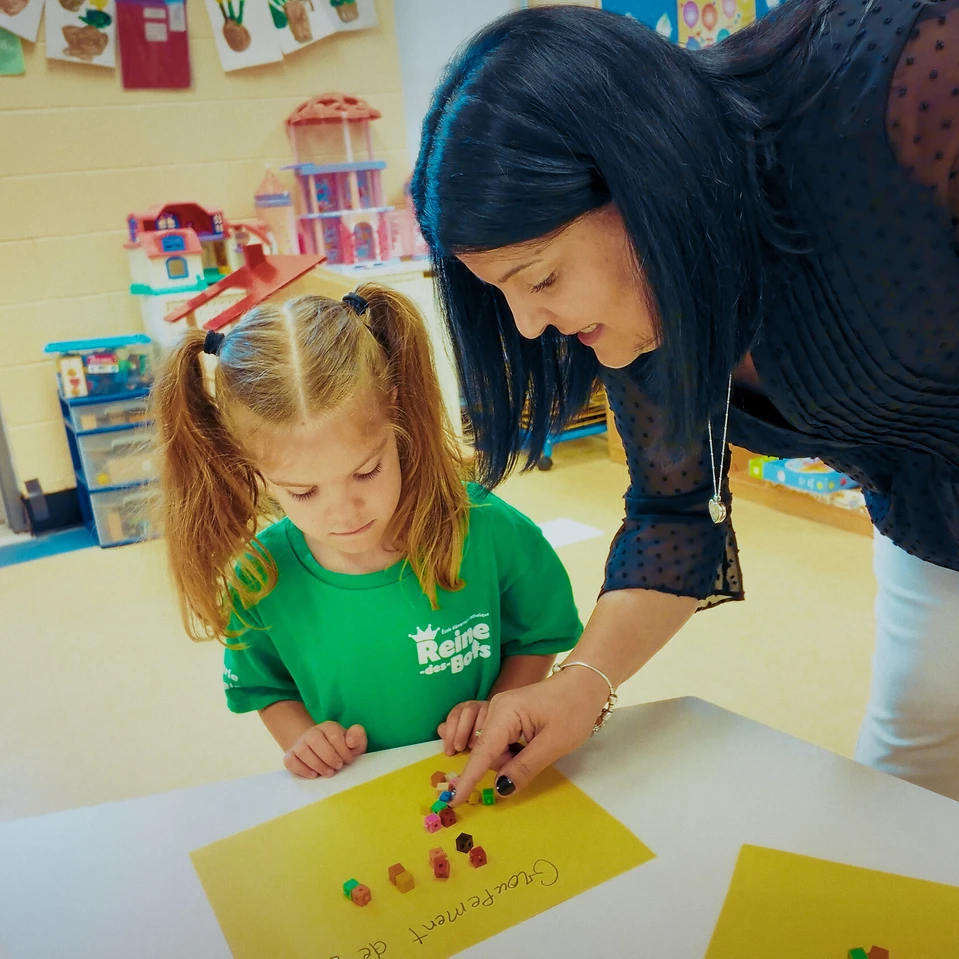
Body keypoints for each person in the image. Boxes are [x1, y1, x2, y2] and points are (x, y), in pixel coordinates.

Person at [411, 0, 959, 803]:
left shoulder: (905, 85)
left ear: (642, 187)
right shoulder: (641, 308)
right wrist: (580, 682)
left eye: (541, 279)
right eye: (506, 297)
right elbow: (673, 515)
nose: (531, 325)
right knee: (903, 795)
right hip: (931, 514)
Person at [152, 287, 581, 779]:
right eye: (303, 492)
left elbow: (540, 633)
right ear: (246, 461)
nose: (344, 512)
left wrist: (504, 703)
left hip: (481, 776)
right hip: (355, 797)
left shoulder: (483, 528)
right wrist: (303, 741)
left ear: (394, 409)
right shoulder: (262, 577)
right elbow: (265, 687)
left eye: (367, 471)